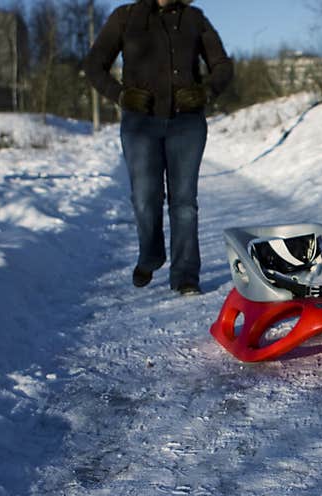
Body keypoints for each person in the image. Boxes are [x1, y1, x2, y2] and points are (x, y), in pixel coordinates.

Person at [82, 0, 234, 295]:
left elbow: (222, 65)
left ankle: (185, 275)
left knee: (184, 203)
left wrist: (205, 92)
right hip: (140, 125)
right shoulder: (125, 17)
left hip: (187, 124)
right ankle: (151, 255)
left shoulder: (193, 18)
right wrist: (122, 95)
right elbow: (94, 65)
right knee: (145, 198)